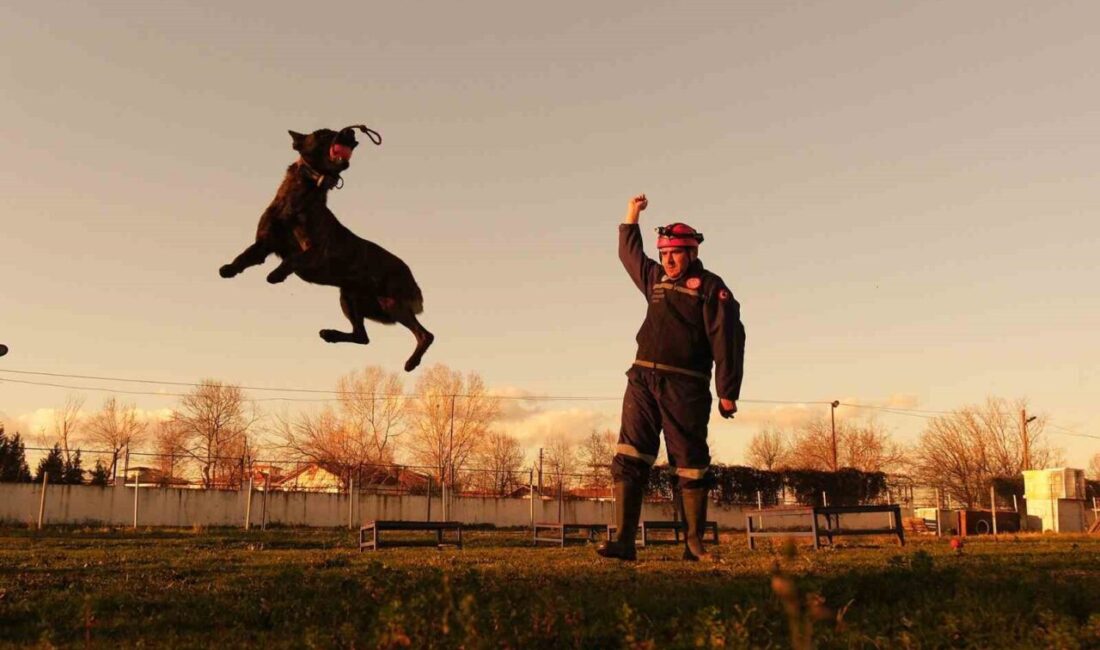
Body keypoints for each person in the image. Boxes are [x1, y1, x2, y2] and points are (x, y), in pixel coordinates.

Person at [597, 193, 745, 561]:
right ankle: (625, 542)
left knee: (690, 463)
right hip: (642, 381)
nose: (668, 259)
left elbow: (728, 341)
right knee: (629, 456)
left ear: (692, 253)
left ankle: (694, 545)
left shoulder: (712, 288)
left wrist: (727, 391)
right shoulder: (654, 279)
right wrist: (631, 214)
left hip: (686, 386)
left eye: (675, 253)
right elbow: (629, 255)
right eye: (663, 253)